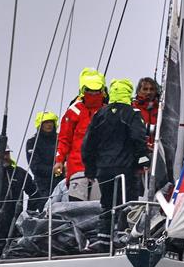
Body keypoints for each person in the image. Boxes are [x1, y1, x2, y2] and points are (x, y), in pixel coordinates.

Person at [82, 78, 149, 246]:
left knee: (107, 203)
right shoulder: (132, 114)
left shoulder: (99, 114)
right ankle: (123, 237)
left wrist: (90, 170)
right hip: (125, 169)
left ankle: (103, 239)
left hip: (103, 169)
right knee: (127, 203)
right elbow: (138, 138)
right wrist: (143, 161)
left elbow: (88, 144)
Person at [54, 68, 106, 201]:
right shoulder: (74, 112)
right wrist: (59, 160)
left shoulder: (107, 112)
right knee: (77, 207)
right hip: (77, 168)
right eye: (90, 90)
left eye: (96, 91)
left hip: (100, 169)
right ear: (83, 90)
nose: (93, 94)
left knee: (98, 207)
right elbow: (64, 139)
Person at [26, 111, 60, 209]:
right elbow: (35, 167)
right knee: (44, 210)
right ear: (40, 124)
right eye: (45, 122)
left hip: (61, 182)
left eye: (51, 122)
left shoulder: (61, 139)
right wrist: (53, 170)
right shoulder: (33, 142)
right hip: (42, 185)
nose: (49, 124)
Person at [132, 77, 160, 142]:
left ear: (155, 91)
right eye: (145, 89)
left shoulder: (161, 110)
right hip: (137, 149)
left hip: (156, 149)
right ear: (138, 91)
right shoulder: (132, 108)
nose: (148, 92)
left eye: (151, 89)